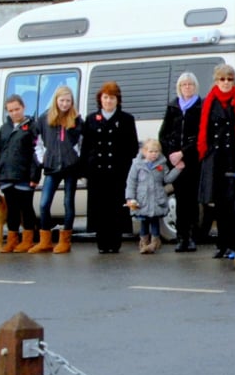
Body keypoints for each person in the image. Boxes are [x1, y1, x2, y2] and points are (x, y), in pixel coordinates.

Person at [196, 64, 235, 259]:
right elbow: (203, 130)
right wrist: (208, 151)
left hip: (234, 156)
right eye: (222, 79)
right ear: (216, 81)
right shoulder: (209, 101)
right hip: (215, 157)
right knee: (218, 204)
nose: (226, 83)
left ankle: (233, 244)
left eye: (229, 79)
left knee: (232, 202)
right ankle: (221, 244)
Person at [81, 82, 138, 255]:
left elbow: (133, 146)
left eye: (112, 98)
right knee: (100, 208)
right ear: (100, 99)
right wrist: (84, 170)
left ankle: (115, 243)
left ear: (117, 100)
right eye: (105, 97)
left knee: (116, 208)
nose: (108, 101)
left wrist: (124, 163)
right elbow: (86, 147)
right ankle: (102, 243)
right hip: (97, 172)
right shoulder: (91, 119)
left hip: (118, 172)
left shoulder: (126, 119)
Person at [158, 71, 203, 253]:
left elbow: (201, 136)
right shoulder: (173, 107)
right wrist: (172, 154)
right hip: (175, 163)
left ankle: (191, 237)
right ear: (179, 87)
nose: (187, 87)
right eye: (184, 85)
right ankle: (181, 237)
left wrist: (183, 154)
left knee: (192, 202)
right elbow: (163, 135)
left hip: (192, 161)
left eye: (190, 84)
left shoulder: (201, 106)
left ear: (195, 86)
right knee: (180, 200)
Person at [0, 94, 43, 252]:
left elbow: (37, 153)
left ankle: (29, 239)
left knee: (26, 208)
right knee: (11, 209)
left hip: (24, 175)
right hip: (6, 175)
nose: (14, 113)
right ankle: (12, 239)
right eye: (11, 110)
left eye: (17, 109)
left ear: (23, 108)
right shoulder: (4, 128)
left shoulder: (32, 127)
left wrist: (35, 176)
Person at [35, 86, 81, 254]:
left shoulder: (76, 119)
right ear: (56, 100)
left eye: (68, 101)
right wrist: (43, 159)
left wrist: (77, 159)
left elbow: (81, 142)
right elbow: (37, 142)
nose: (65, 104)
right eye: (62, 100)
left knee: (68, 202)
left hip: (70, 166)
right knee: (44, 203)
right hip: (52, 166)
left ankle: (65, 241)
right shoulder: (44, 119)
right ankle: (45, 240)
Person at [125, 137, 181, 254]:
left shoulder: (162, 164)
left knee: (155, 221)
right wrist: (130, 198)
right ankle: (144, 242)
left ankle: (155, 242)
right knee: (144, 222)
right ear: (144, 152)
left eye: (156, 152)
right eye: (151, 152)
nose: (154, 154)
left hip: (156, 199)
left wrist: (177, 169)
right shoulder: (137, 165)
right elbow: (131, 182)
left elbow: (167, 179)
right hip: (142, 200)